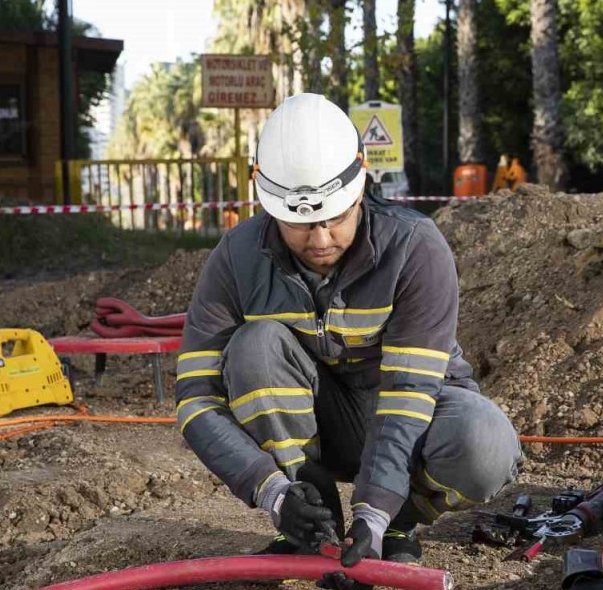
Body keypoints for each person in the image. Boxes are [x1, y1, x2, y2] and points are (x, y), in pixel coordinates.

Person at [174, 93, 522, 569]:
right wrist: (274, 492)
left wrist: (375, 514)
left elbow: (407, 394)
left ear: (361, 184)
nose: (320, 240)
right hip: (320, 427)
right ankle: (311, 520)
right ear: (267, 198)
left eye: (335, 216)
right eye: (299, 223)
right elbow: (196, 399)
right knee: (254, 347)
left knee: (485, 443)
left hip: (414, 422)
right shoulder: (236, 259)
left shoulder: (414, 248)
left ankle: (399, 519)